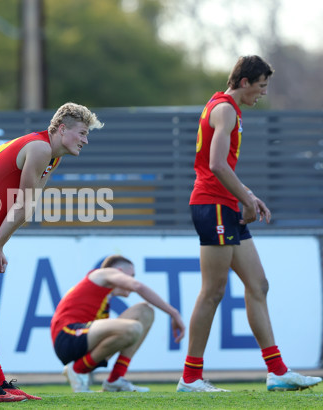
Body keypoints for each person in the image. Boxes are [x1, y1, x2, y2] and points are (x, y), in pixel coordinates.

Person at [178, 55, 322, 393]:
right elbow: (214, 164)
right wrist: (245, 197)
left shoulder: (224, 107)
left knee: (258, 285)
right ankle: (191, 377)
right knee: (213, 290)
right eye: (261, 85)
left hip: (224, 205)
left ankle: (277, 371)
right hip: (212, 205)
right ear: (245, 82)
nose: (263, 92)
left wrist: (247, 195)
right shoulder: (226, 108)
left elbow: (219, 165)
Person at [0, 102, 104, 402]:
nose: (85, 140)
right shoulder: (41, 149)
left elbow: (24, 207)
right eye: (82, 133)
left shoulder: (50, 156)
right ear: (61, 129)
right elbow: (24, 206)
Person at [51, 255, 185, 393]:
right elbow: (137, 286)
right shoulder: (103, 273)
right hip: (67, 335)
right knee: (133, 328)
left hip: (83, 338)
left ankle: (115, 379)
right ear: (119, 271)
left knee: (145, 311)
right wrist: (174, 313)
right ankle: (77, 370)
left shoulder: (102, 293)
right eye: (131, 275)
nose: (132, 279)